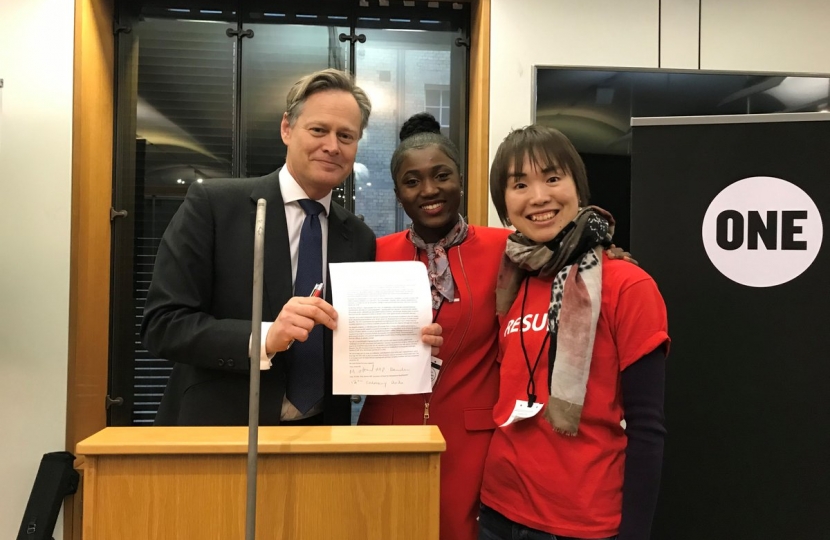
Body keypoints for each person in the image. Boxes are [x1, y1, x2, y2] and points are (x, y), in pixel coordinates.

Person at [141, 69, 442, 427]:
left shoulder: (358, 237)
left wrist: (407, 340)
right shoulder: (215, 206)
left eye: (346, 135)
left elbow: (351, 341)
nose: (332, 145)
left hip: (320, 443)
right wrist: (266, 336)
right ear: (287, 128)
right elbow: (163, 325)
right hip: (219, 436)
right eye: (319, 130)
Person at [478, 125, 669, 540]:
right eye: (519, 184)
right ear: (504, 204)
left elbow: (648, 428)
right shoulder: (512, 280)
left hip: (583, 523)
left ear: (577, 188)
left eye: (552, 178)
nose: (539, 197)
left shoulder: (627, 286)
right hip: (498, 511)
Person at [358, 113, 511, 540]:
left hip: (474, 441)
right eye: (412, 181)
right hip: (386, 432)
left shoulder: (507, 248)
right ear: (397, 193)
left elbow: (563, 255)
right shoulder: (373, 254)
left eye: (441, 175)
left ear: (460, 179)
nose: (429, 190)